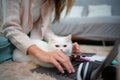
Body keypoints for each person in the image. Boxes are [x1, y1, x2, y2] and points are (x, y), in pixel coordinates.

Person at [1, 0, 80, 73]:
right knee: (10, 49)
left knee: (48, 49)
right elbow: (11, 27)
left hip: (26, 34)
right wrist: (40, 53)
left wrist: (64, 45)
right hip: (5, 34)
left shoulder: (49, 1)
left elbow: (45, 30)